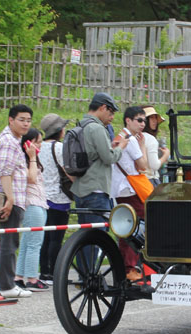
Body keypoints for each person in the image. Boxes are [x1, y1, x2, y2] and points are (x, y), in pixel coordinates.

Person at [70, 93, 128, 272]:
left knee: (84, 237)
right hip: (96, 189)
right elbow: (108, 157)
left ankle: (84, 275)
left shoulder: (81, 124)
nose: (111, 118)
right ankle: (91, 276)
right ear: (103, 107)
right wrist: (120, 148)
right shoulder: (96, 128)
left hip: (82, 188)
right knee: (97, 237)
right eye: (111, 113)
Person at [0, 104, 34, 298]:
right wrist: (10, 198)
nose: (26, 124)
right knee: (9, 244)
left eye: (28, 120)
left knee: (3, 243)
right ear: (11, 120)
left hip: (11, 197)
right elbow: (5, 172)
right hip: (10, 198)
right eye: (21, 120)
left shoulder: (11, 139)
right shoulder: (9, 141)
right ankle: (7, 285)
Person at [111, 106, 150, 283]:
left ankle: (126, 268)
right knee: (136, 227)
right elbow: (143, 166)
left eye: (144, 121)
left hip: (120, 189)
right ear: (128, 120)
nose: (143, 124)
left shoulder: (119, 137)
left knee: (126, 228)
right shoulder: (131, 140)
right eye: (139, 120)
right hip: (130, 188)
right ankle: (131, 267)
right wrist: (142, 146)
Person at [37, 114, 72, 285]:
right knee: (56, 238)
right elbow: (68, 171)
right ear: (59, 130)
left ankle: (44, 272)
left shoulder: (39, 147)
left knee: (45, 237)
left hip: (42, 197)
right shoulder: (59, 148)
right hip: (59, 197)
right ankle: (54, 273)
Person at [14, 128, 49, 291]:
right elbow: (32, 178)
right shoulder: (25, 160)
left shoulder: (31, 159)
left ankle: (19, 276)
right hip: (32, 204)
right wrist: (32, 157)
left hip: (39, 203)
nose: (40, 145)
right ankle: (32, 279)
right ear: (28, 143)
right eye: (37, 142)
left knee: (28, 241)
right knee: (34, 243)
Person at [140, 105, 170, 185]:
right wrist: (166, 155)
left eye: (155, 118)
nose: (155, 121)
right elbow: (154, 165)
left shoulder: (134, 137)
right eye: (151, 118)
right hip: (150, 180)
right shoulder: (150, 139)